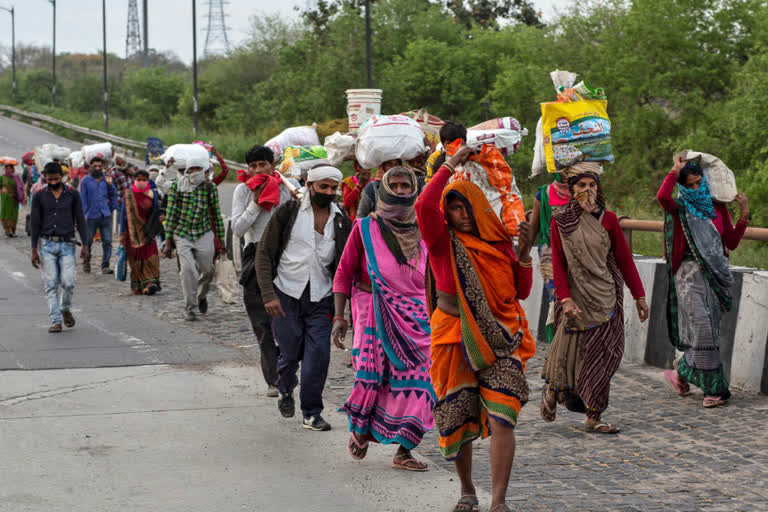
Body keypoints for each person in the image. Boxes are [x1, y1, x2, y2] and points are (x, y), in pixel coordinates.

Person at [415, 146, 536, 512]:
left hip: (501, 336)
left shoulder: (497, 242)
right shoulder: (441, 241)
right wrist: (449, 165)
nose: (461, 214)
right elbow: (423, 206)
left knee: (504, 416)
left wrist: (526, 253)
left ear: (479, 208)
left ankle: (498, 500)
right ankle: (467, 491)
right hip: (453, 336)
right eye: (453, 208)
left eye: (466, 207)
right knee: (458, 415)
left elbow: (520, 291)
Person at [332, 167, 435, 471]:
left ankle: (404, 450)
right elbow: (343, 272)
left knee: (423, 381)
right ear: (384, 190)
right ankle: (361, 428)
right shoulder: (364, 227)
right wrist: (340, 316)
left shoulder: (425, 228)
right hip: (371, 309)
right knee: (373, 377)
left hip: (416, 315)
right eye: (396, 185)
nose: (402, 190)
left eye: (407, 185)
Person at [540, 164, 649, 434]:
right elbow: (559, 263)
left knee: (609, 353)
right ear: (572, 190)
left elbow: (624, 259)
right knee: (574, 353)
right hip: (576, 297)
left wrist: (639, 296)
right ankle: (588, 412)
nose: (588, 190)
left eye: (592, 185)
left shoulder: (609, 220)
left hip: (607, 296)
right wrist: (564, 299)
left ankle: (589, 407)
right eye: (581, 186)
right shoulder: (561, 221)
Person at [255, 165, 351, 432]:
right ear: (310, 186)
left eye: (334, 188)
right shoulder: (288, 213)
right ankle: (285, 388)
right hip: (286, 294)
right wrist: (268, 295)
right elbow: (264, 254)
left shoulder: (341, 219)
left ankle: (312, 412)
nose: (329, 193)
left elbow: (346, 263)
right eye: (324, 187)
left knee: (318, 354)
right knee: (290, 353)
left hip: (322, 297)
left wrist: (346, 306)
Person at [658, 155, 749, 408]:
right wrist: (673, 171)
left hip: (713, 276)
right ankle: (715, 390)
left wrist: (744, 214)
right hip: (688, 274)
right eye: (690, 185)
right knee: (703, 328)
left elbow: (729, 242)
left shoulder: (717, 208)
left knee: (709, 330)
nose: (696, 189)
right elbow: (662, 198)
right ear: (682, 186)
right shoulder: (680, 207)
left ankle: (681, 369)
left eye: (700, 183)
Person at [231, 144, 297, 397]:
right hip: (255, 256)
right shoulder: (242, 190)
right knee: (262, 324)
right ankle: (274, 379)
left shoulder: (286, 187)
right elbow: (238, 228)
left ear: (272, 166)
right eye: (253, 166)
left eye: (263, 165)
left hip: (284, 256)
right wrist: (257, 203)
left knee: (287, 319)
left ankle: (288, 367)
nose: (258, 170)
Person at [162, 153, 226, 321]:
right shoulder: (177, 186)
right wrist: (168, 241)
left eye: (199, 169)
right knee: (188, 270)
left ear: (204, 170)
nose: (195, 172)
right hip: (182, 233)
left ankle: (201, 295)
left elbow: (216, 214)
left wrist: (221, 239)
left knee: (208, 270)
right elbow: (171, 214)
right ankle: (190, 307)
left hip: (203, 232)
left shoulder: (209, 187)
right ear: (187, 171)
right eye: (192, 169)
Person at [29, 162, 89, 333]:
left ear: (62, 177)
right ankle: (56, 320)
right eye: (49, 179)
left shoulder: (72, 194)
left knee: (68, 282)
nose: (53, 182)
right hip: (47, 244)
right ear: (45, 178)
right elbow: (35, 223)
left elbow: (80, 219)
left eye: (56, 179)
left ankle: (65, 308)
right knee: (51, 283)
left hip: (68, 243)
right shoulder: (39, 196)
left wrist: (85, 245)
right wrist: (34, 249)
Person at [528, 173, 571, 343]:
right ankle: (557, 343)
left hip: (576, 254)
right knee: (558, 300)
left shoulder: (583, 191)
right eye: (563, 168)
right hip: (550, 255)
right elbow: (533, 228)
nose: (567, 172)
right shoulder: (543, 194)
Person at [120, 169, 161, 296]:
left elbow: (156, 212)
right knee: (136, 260)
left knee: (151, 258)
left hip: (148, 232)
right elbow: (123, 216)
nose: (141, 182)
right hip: (132, 234)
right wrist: (122, 234)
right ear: (134, 180)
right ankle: (139, 285)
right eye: (139, 180)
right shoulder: (128, 195)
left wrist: (158, 226)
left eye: (144, 180)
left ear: (148, 181)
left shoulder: (153, 194)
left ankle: (150, 284)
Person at [79, 156, 118, 274]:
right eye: (95, 166)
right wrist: (83, 215)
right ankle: (86, 261)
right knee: (88, 241)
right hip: (90, 216)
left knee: (107, 241)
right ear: (90, 167)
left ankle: (105, 265)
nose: (97, 168)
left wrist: (110, 185)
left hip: (105, 214)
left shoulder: (106, 179)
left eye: (99, 166)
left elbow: (113, 194)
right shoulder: (85, 180)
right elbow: (82, 199)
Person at [1, 160, 25, 237]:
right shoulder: (2, 177)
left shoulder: (16, 177)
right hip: (5, 199)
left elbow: (21, 187)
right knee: (6, 214)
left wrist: (23, 196)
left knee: (14, 214)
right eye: (7, 168)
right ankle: (8, 230)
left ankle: (12, 230)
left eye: (10, 168)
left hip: (14, 199)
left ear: (13, 169)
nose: (8, 170)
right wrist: (2, 188)